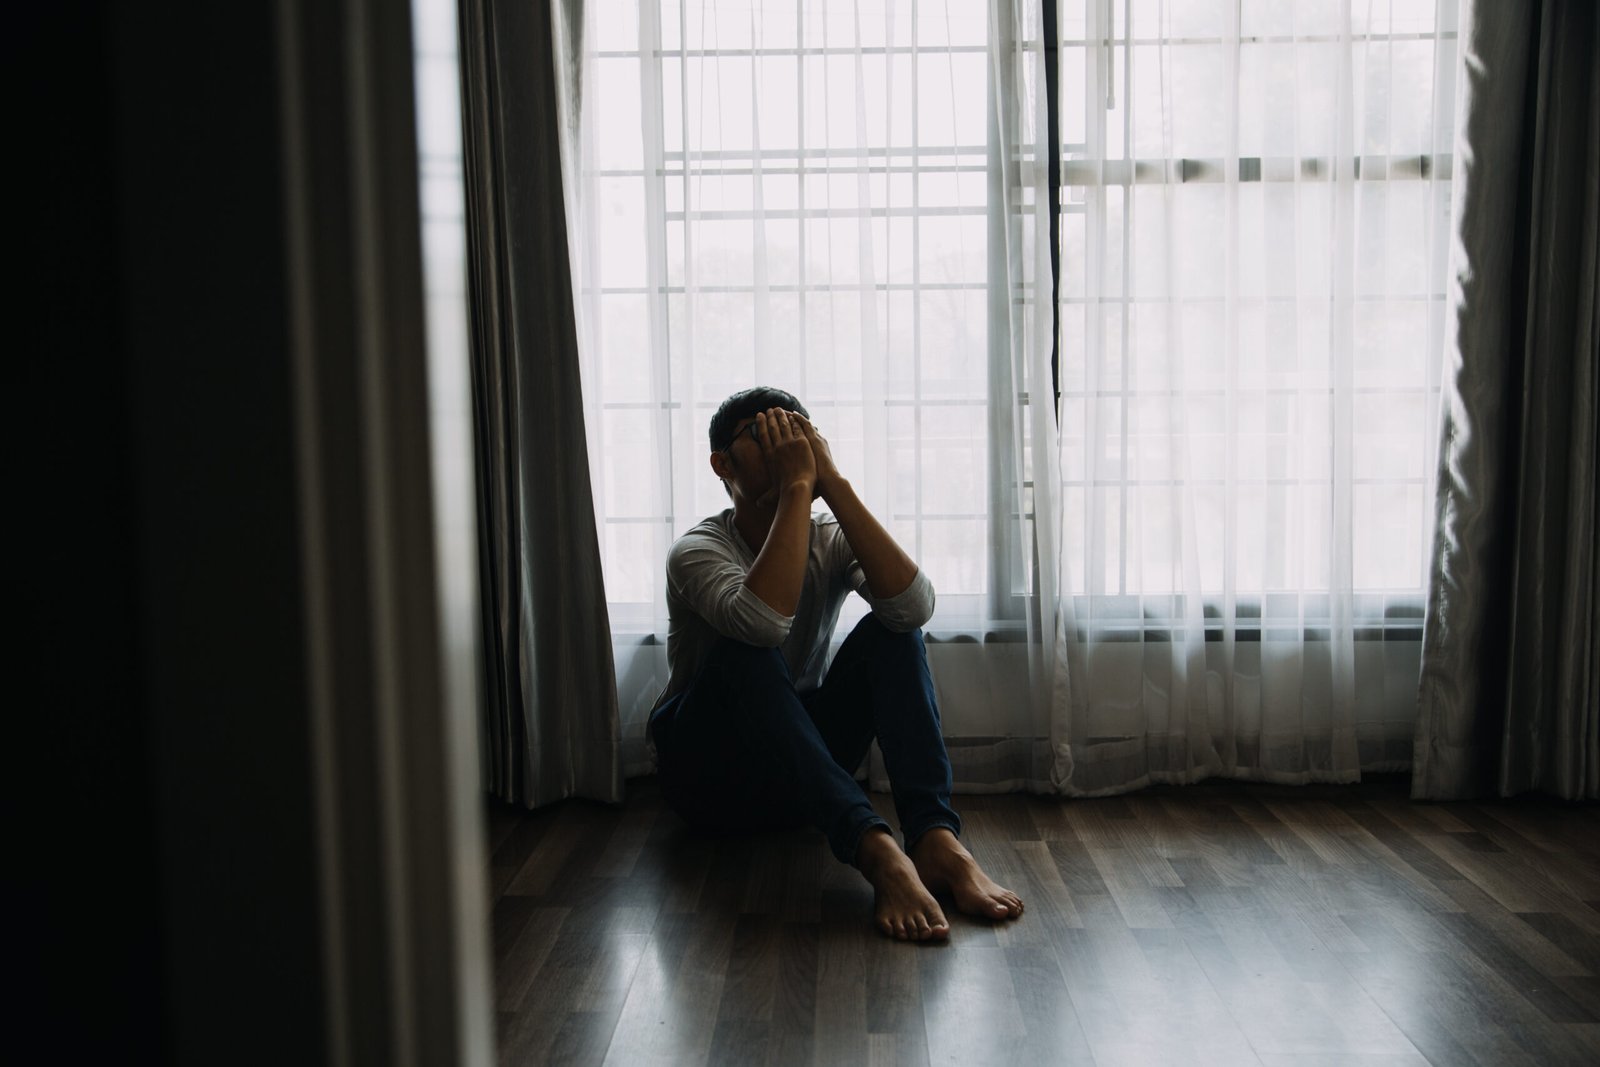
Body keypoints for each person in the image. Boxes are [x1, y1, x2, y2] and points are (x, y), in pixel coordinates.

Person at [647, 386, 1024, 941]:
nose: (784, 445)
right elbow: (762, 626)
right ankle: (877, 852)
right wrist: (799, 486)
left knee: (892, 629)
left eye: (795, 431)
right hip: (708, 778)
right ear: (721, 465)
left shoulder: (829, 537)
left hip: (801, 775)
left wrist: (834, 482)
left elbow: (913, 609)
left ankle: (935, 839)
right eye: (762, 433)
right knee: (744, 651)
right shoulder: (697, 550)